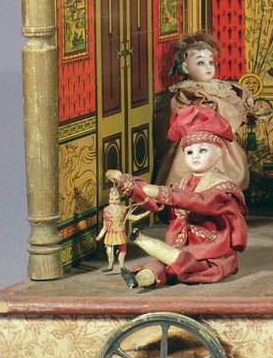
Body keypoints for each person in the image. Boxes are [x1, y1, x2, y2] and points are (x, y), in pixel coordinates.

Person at [108, 106, 248, 288]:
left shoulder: (223, 187)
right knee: (167, 263)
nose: (195, 157)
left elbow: (200, 202)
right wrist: (127, 183)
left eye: (202, 151)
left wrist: (161, 192)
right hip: (182, 246)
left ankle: (146, 258)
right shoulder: (184, 183)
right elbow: (158, 204)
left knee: (189, 266)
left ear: (218, 153)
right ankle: (144, 277)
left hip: (211, 251)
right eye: (189, 152)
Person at [156, 32, 256, 190]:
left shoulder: (220, 87)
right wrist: (209, 112)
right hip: (195, 140)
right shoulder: (187, 91)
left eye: (210, 62)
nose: (208, 67)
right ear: (185, 67)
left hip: (219, 139)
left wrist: (244, 105)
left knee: (226, 171)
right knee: (189, 173)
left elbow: (235, 102)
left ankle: (221, 194)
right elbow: (180, 114)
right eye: (201, 63)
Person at [94, 186, 149, 273]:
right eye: (112, 199)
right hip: (110, 233)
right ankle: (110, 265)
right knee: (109, 249)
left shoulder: (123, 209)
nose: (114, 202)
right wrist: (100, 235)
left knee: (123, 249)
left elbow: (133, 217)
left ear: (119, 200)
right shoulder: (106, 210)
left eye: (116, 199)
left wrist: (146, 213)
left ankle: (122, 266)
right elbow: (105, 225)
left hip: (120, 233)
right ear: (109, 199)